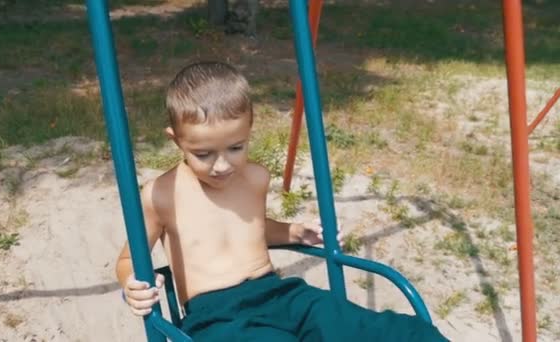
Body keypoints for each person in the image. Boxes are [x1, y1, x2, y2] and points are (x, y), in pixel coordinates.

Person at [115, 61, 448, 341]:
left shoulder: (255, 178)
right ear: (176, 140)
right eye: (203, 154)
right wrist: (131, 282)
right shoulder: (161, 195)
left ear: (249, 130)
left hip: (278, 294)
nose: (222, 165)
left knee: (372, 328)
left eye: (236, 148)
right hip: (218, 319)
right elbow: (130, 257)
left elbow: (251, 228)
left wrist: (295, 232)